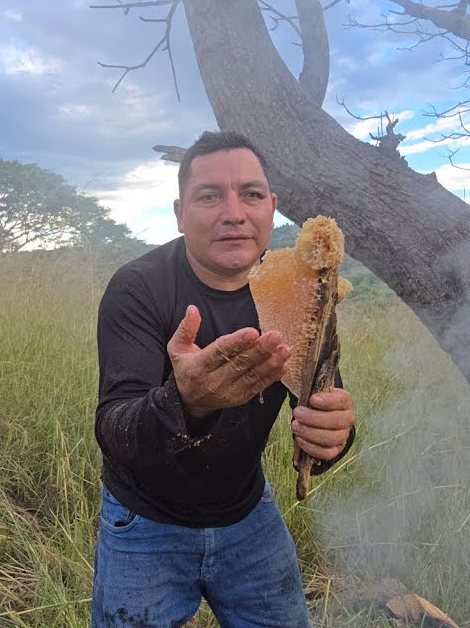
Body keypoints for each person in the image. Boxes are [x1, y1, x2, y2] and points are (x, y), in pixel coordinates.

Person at [91, 130, 357, 627]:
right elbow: (114, 431)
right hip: (145, 520)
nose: (234, 213)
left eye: (251, 194)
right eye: (209, 195)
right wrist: (185, 402)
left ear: (272, 207)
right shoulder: (140, 288)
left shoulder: (300, 289)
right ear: (179, 212)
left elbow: (321, 400)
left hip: (247, 515)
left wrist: (334, 437)